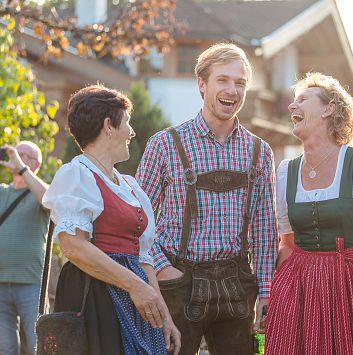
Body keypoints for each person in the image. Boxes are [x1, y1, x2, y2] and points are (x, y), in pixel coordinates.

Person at [136, 43, 278, 355]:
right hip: (178, 282)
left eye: (240, 83)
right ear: (202, 84)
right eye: (223, 80)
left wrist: (266, 289)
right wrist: (162, 268)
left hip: (237, 285)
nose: (232, 91)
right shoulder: (165, 144)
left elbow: (266, 228)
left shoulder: (259, 152)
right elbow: (136, 219)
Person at [42, 85, 180, 355]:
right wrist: (134, 285)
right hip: (94, 295)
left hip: (135, 296)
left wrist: (164, 317)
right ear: (108, 125)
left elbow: (144, 257)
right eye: (127, 122)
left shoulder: (129, 186)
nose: (133, 132)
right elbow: (74, 247)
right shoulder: (77, 175)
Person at [265, 72, 353, 354]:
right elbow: (287, 242)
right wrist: (271, 292)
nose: (292, 106)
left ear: (329, 109)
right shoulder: (286, 171)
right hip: (302, 289)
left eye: (302, 99)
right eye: (293, 101)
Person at [0, 141, 49, 355]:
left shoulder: (41, 191)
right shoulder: (2, 192)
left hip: (32, 285)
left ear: (36, 164)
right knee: (6, 348)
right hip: (1, 284)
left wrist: (22, 168)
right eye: (15, 153)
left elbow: (48, 201)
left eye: (24, 155)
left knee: (39, 346)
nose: (17, 157)